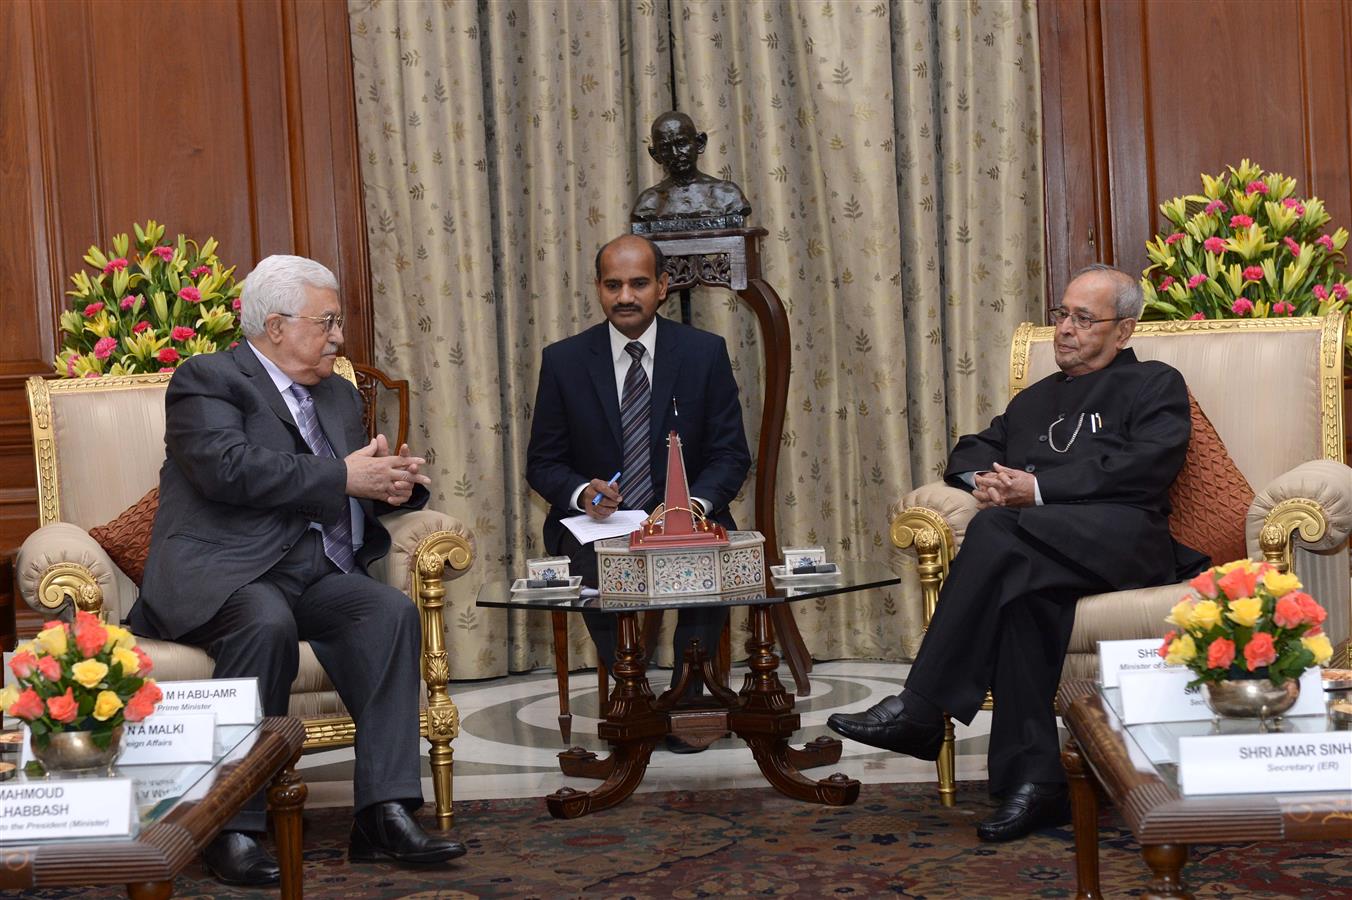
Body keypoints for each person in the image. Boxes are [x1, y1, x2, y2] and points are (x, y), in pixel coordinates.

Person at [828, 264, 1208, 842]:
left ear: (1124, 330)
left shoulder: (1155, 381)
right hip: (1043, 552)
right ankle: (1036, 786)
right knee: (1023, 599)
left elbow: (1149, 466)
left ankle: (922, 707)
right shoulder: (1034, 400)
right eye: (1061, 315)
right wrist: (984, 477)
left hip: (1124, 540)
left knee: (997, 534)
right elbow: (972, 447)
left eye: (1084, 318)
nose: (1065, 329)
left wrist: (1035, 489)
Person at [129, 255, 466, 886]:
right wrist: (344, 476)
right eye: (328, 322)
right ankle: (230, 824)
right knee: (265, 620)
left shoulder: (338, 392)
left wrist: (392, 485)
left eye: (339, 321)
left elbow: (354, 475)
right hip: (230, 571)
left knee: (387, 611)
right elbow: (228, 468)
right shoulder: (207, 380)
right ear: (277, 325)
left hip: (317, 571)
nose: (340, 336)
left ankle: (383, 811)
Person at [526, 234, 752, 751]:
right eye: (613, 285)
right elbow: (543, 462)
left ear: (663, 287)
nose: (625, 296)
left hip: (687, 513)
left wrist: (690, 507)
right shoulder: (564, 361)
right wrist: (582, 492)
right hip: (600, 525)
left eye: (638, 283)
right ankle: (635, 695)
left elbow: (730, 455)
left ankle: (688, 691)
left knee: (715, 559)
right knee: (591, 570)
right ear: (599, 289)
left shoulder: (703, 353)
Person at [631, 111, 752, 223]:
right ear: (655, 155)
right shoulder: (648, 203)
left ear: (699, 143)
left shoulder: (727, 195)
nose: (675, 153)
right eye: (665, 148)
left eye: (681, 143)